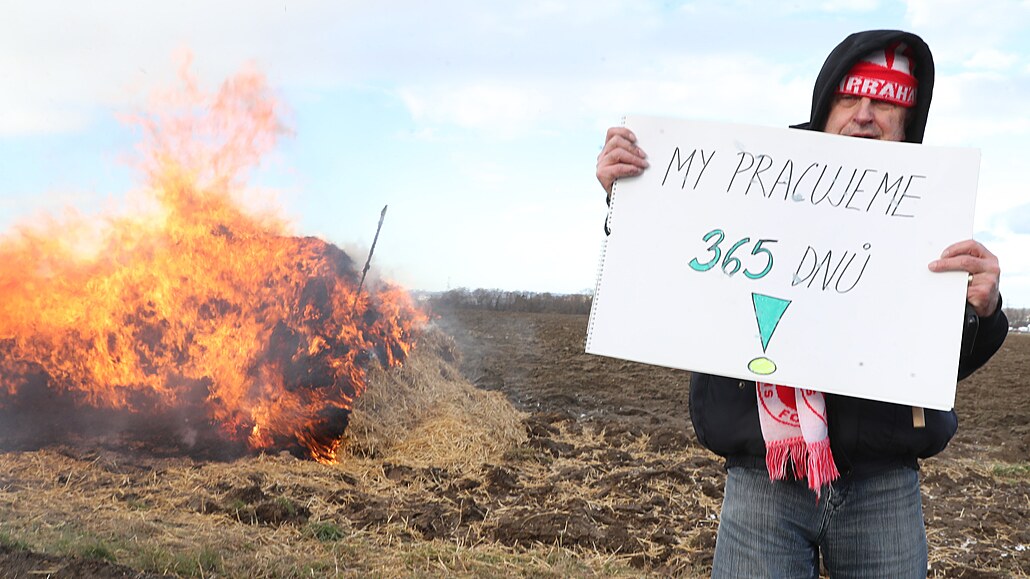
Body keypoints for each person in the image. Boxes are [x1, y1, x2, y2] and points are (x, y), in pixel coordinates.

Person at [595, 30, 1008, 578]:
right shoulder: (742, 184)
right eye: (850, 97)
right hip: (762, 475)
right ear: (824, 105)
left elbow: (936, 365)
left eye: (886, 102)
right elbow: (675, 269)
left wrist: (982, 309)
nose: (864, 114)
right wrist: (631, 202)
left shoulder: (928, 215)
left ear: (909, 124)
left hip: (883, 484)